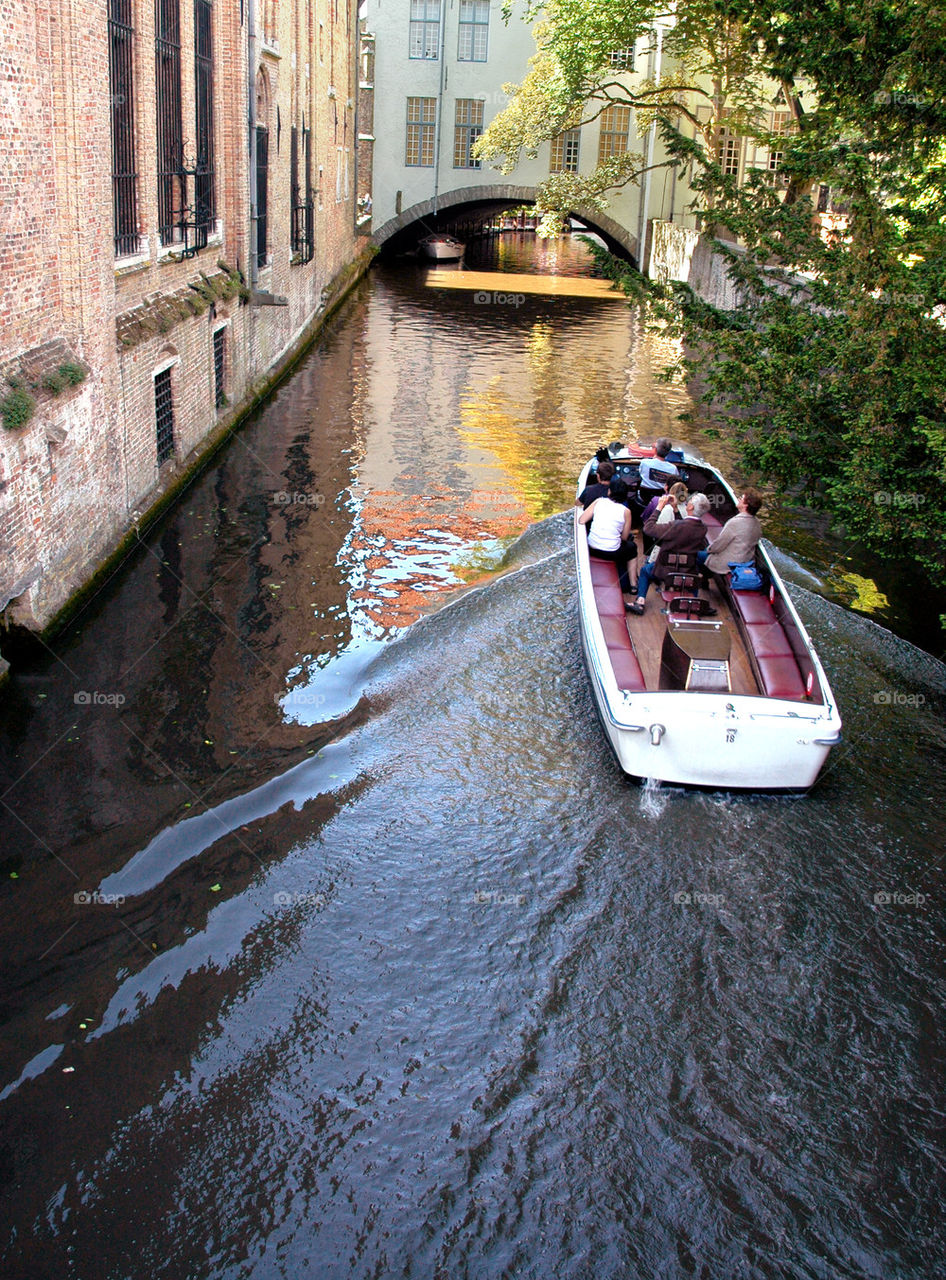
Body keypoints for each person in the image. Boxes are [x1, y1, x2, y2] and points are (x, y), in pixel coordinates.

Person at [627, 492, 710, 614]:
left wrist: (659, 506)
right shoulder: (703, 528)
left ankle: (640, 602)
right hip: (687, 571)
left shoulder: (676, 526)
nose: (687, 502)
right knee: (695, 568)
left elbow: (648, 528)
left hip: (665, 570)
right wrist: (675, 509)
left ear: (691, 507)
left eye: (690, 501)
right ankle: (692, 604)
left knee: (645, 571)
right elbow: (686, 528)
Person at [578, 477, 636, 593]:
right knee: (632, 548)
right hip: (612, 552)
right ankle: (633, 585)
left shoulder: (599, 501)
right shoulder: (626, 511)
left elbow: (581, 520)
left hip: (592, 548)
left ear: (609, 491)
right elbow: (624, 538)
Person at [698, 488, 763, 574]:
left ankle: (702, 580)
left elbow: (719, 545)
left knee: (697, 555)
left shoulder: (735, 522)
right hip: (745, 561)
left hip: (729, 563)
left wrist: (709, 549)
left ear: (745, 505)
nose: (738, 499)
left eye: (741, 498)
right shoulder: (757, 524)